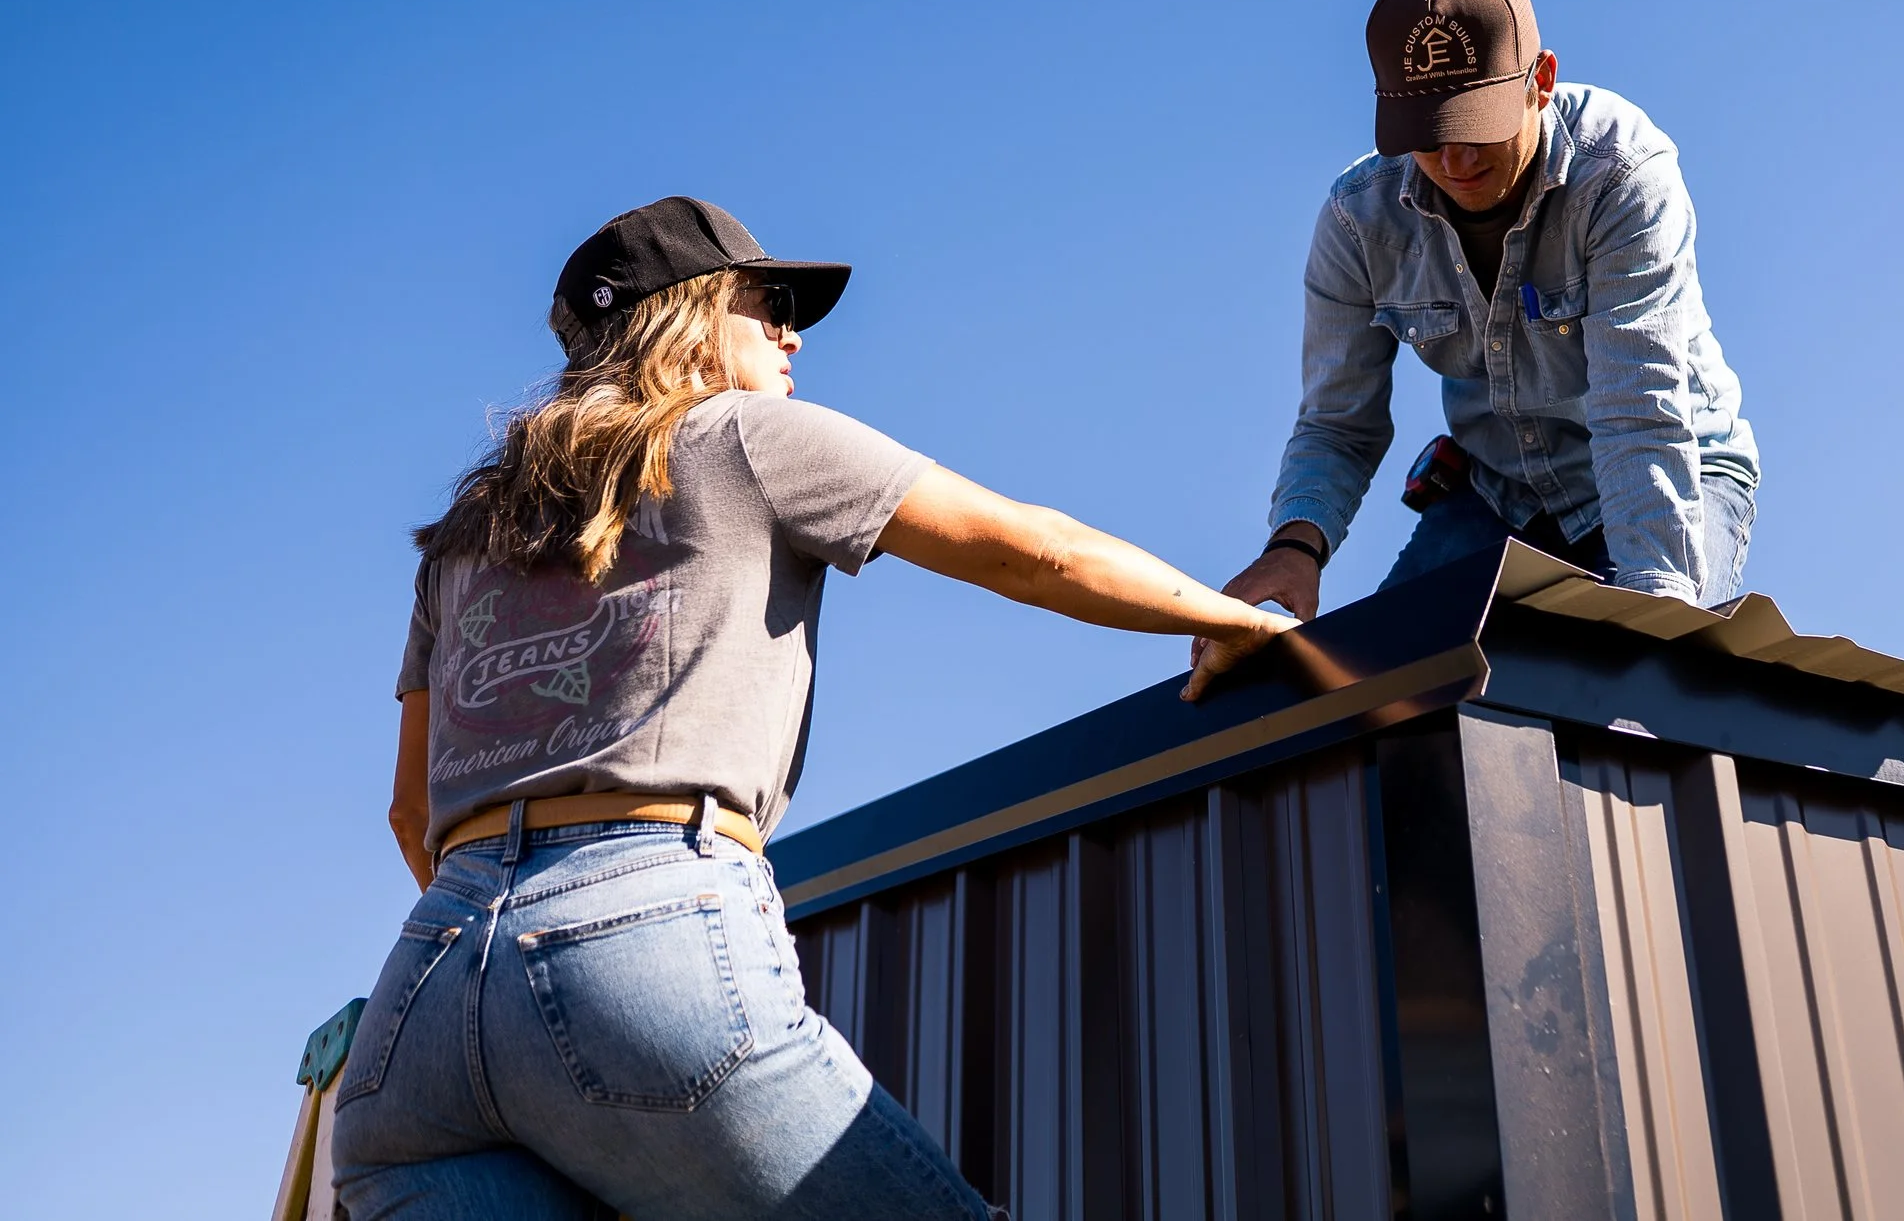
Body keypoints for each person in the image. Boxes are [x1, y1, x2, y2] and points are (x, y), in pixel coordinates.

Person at [332, 196, 1292, 1220]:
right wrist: (1231, 618)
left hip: (419, 1021)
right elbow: (1030, 548)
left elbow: (407, 808)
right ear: (692, 314)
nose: (793, 332)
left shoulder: (469, 530)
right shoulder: (743, 436)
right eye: (771, 301)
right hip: (642, 945)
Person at [1210, 0, 1759, 642]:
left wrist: (1654, 613)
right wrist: (1294, 546)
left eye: (1477, 128)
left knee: (1614, 680)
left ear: (1541, 81)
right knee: (1387, 686)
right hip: (1498, 490)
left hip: (1670, 467)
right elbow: (1338, 423)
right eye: (1433, 139)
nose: (1458, 163)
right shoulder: (1357, 223)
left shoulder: (1620, 175)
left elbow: (1635, 410)